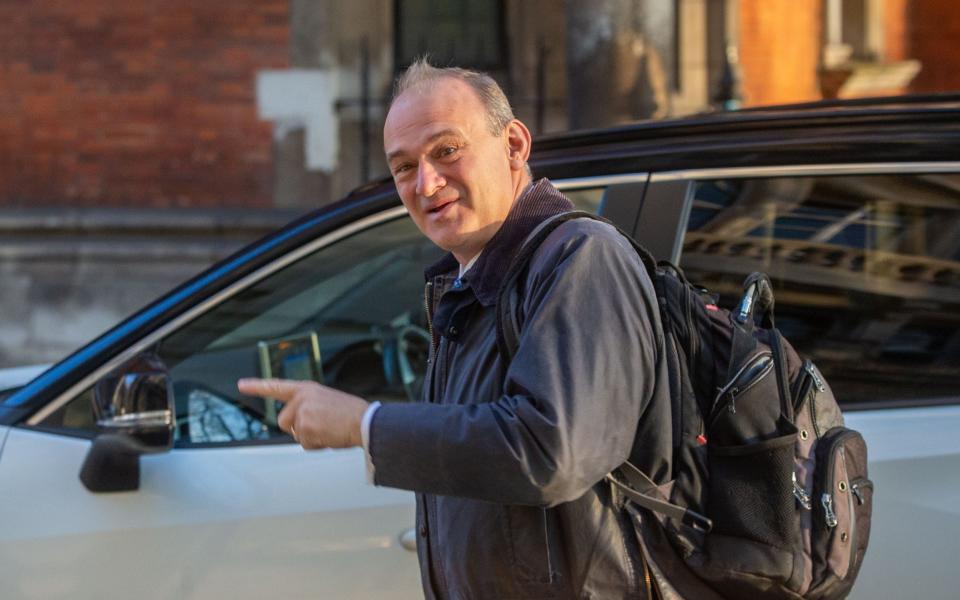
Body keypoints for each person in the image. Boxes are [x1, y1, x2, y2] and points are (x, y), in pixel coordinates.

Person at [238, 58, 671, 599]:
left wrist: (365, 424)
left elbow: (548, 451)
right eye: (403, 167)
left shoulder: (581, 257)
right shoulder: (468, 280)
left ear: (513, 145)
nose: (426, 183)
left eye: (447, 151)